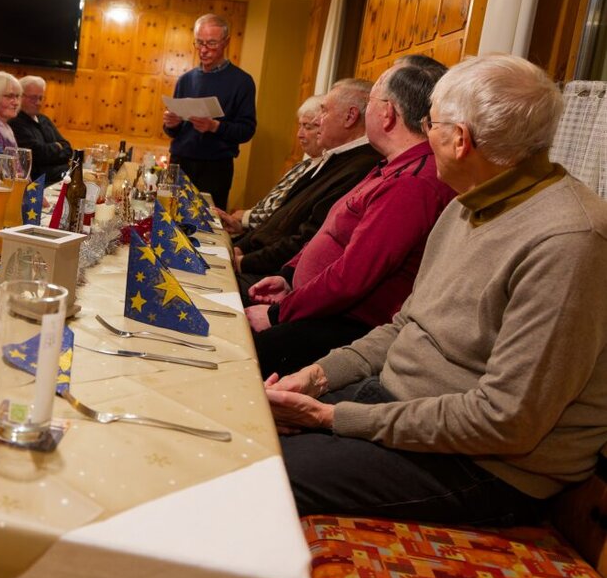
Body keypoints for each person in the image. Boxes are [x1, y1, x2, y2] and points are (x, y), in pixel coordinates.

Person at [266, 54, 607, 526]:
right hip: (399, 406)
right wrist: (318, 377)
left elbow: (504, 422)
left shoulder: (570, 240)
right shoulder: (468, 204)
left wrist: (332, 418)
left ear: (460, 140)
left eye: (430, 123)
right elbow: (407, 325)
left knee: (257, 478)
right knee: (247, 430)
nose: (426, 135)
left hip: (485, 467)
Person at [246, 64, 456, 377]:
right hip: (316, 306)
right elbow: (332, 229)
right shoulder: (391, 166)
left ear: (387, 114)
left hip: (345, 324)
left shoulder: (412, 183)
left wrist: (278, 314)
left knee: (237, 353)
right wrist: (289, 276)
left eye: (370, 102)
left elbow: (353, 276)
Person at [232, 79, 380, 288]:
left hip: (272, 275)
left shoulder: (360, 167)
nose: (319, 121)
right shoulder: (335, 158)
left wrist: (245, 261)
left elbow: (308, 237)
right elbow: (279, 216)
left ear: (350, 116)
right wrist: (241, 247)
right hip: (256, 259)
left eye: (324, 112)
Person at [162, 13, 257, 208]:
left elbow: (247, 130)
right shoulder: (186, 80)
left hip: (215, 168)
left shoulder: (242, 81)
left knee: (207, 230)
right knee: (168, 221)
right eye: (199, 43)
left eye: (211, 43)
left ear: (226, 42)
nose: (204, 50)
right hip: (179, 163)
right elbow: (174, 133)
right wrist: (171, 125)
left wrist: (215, 127)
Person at [216, 93, 325, 236]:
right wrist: (240, 226)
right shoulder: (302, 166)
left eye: (308, 127)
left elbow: (283, 220)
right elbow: (269, 207)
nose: (299, 134)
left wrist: (245, 218)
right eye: (300, 126)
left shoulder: (323, 173)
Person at [9, 75, 73, 184]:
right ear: (20, 96)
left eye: (40, 98)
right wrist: (57, 146)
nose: (38, 103)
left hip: (58, 177)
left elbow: (68, 149)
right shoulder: (15, 121)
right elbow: (37, 154)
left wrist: (52, 150)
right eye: (33, 98)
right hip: (37, 184)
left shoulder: (44, 119)